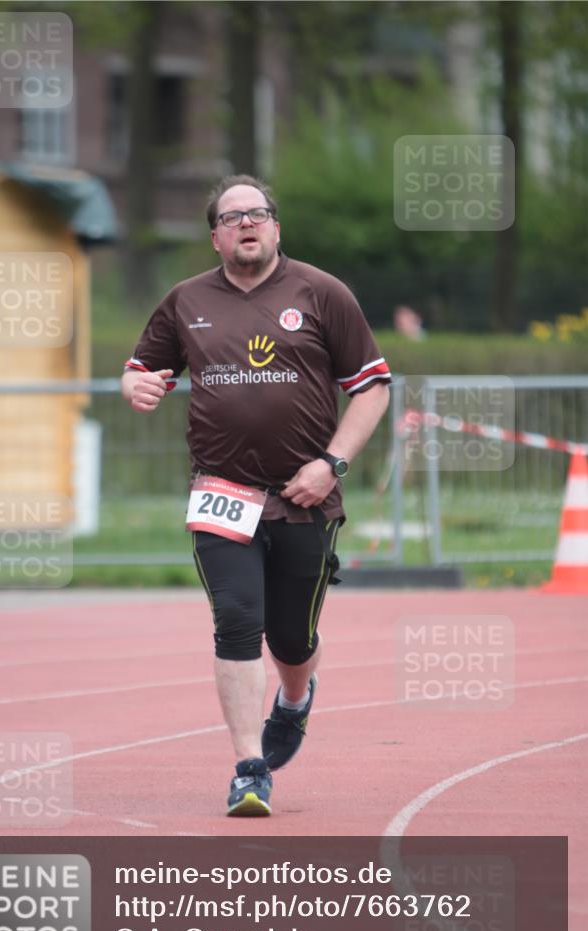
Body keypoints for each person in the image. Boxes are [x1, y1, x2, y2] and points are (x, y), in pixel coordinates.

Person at [122, 175, 391, 817]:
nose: (248, 223)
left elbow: (373, 388)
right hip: (221, 491)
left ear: (277, 228)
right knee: (238, 620)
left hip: (305, 495)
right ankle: (249, 768)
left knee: (291, 639)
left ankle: (294, 699)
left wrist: (332, 463)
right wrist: (135, 387)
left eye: (259, 213)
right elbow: (140, 369)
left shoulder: (322, 293)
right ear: (215, 235)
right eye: (233, 216)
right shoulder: (186, 300)